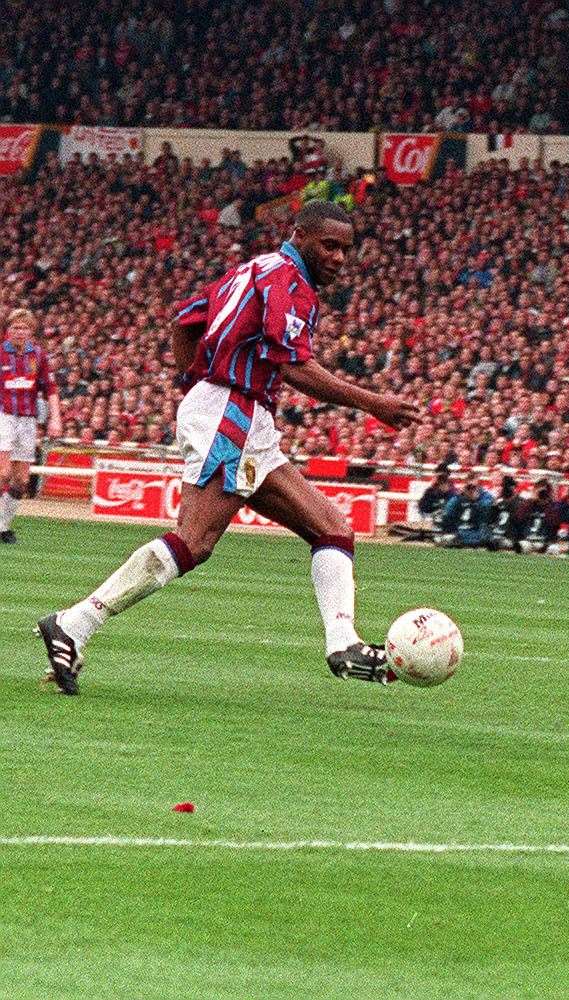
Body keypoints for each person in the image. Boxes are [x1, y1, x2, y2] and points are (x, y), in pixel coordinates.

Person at [36, 200, 419, 695]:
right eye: (329, 245)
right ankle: (75, 623)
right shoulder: (288, 283)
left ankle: (342, 643)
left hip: (237, 413)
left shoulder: (252, 270)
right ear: (299, 235)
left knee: (332, 527)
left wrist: (197, 387)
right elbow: (293, 367)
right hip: (232, 413)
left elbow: (185, 322)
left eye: (347, 249)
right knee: (195, 540)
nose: (339, 258)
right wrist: (373, 403)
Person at [0, 308, 63, 544]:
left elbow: (51, 389)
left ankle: (3, 525)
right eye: (15, 327)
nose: (19, 332)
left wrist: (55, 418)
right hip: (4, 416)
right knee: (3, 473)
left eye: (24, 328)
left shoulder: (37, 355)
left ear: (30, 331)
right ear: (8, 330)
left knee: (21, 481)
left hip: (28, 420)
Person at [438, 478, 495, 548]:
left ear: (478, 488)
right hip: (460, 529)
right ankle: (455, 539)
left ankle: (456, 540)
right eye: (469, 488)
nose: (471, 491)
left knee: (483, 534)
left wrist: (477, 500)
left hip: (475, 529)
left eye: (474, 488)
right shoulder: (458, 499)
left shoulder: (484, 498)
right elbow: (448, 512)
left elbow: (490, 503)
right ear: (465, 488)